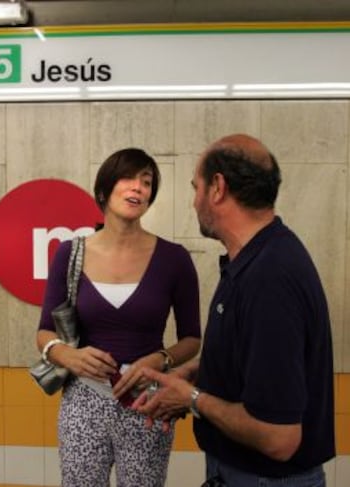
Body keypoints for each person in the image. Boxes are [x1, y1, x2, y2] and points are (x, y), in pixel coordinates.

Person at [133, 134, 336, 487]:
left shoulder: (270, 277)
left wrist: (193, 399)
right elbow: (257, 361)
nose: (193, 201)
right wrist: (200, 372)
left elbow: (279, 438)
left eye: (196, 187)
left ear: (218, 188)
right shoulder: (254, 259)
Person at [36, 147, 201, 487]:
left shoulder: (174, 259)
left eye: (147, 182)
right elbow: (44, 332)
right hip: (83, 399)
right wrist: (67, 354)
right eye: (128, 178)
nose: (138, 188)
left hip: (146, 400)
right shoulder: (70, 253)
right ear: (103, 190)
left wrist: (160, 358)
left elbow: (192, 339)